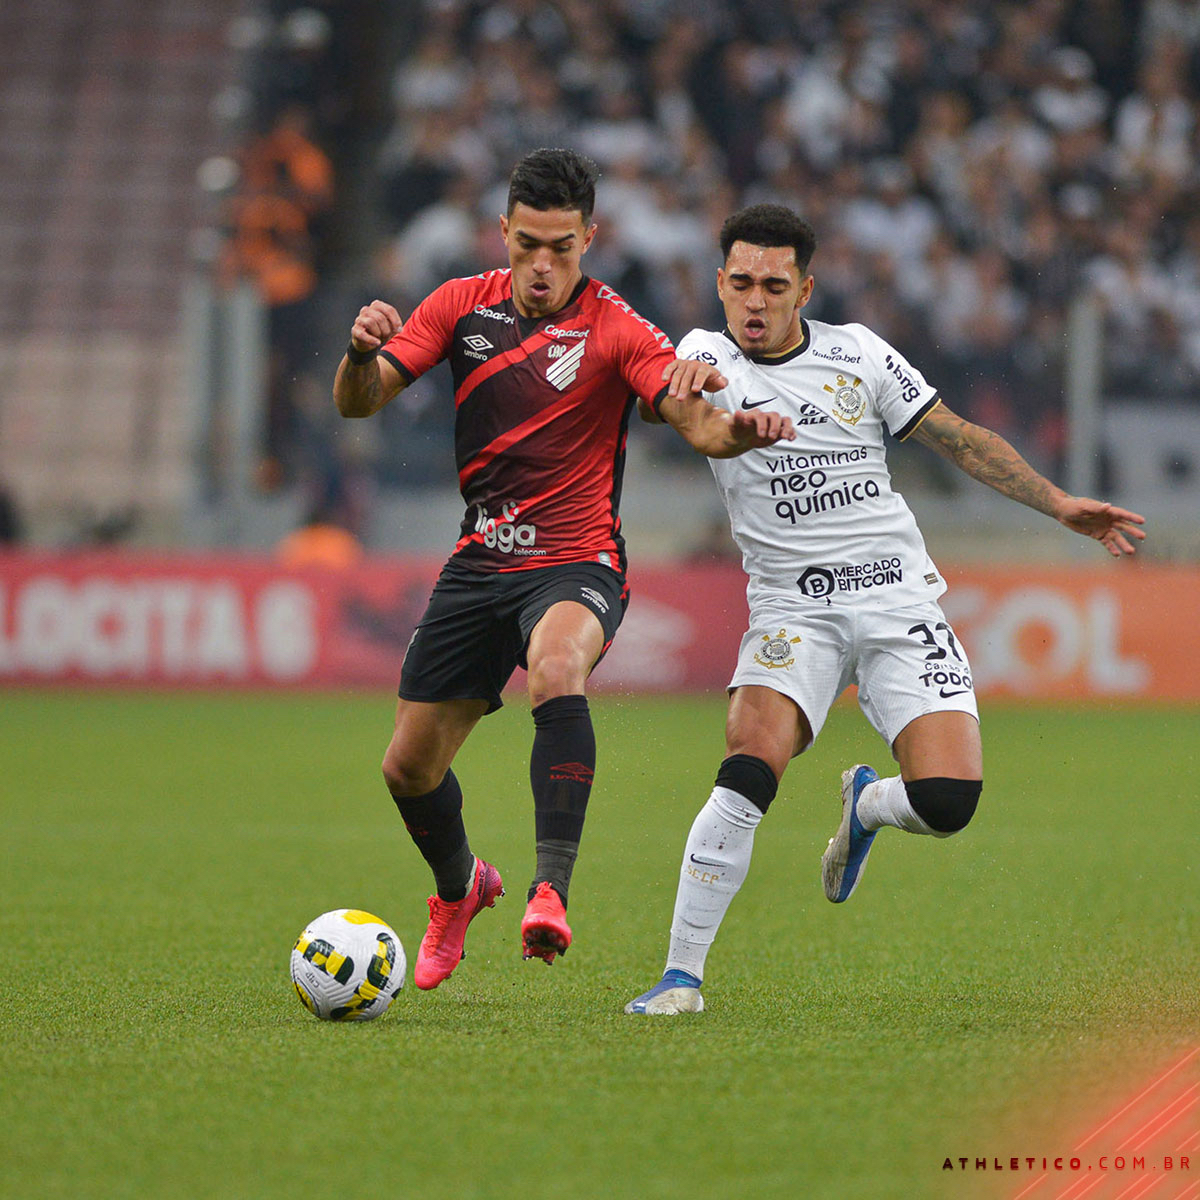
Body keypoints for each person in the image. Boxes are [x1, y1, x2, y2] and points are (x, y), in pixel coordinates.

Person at [626, 202, 1145, 1015]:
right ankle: (681, 977)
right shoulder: (702, 353)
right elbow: (696, 423)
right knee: (749, 762)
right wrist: (733, 425)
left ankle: (867, 804)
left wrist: (1058, 505)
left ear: (805, 288)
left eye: (772, 284)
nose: (753, 301)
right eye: (739, 283)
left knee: (948, 804)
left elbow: (959, 437)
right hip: (792, 609)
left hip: (898, 596)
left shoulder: (858, 353)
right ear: (719, 284)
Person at [332, 150, 793, 992]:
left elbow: (695, 421)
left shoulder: (619, 327)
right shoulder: (457, 307)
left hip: (579, 561)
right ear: (503, 232)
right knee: (408, 768)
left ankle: (550, 890)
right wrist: (361, 356)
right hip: (479, 562)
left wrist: (739, 429)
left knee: (556, 667)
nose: (542, 267)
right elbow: (359, 402)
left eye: (562, 249)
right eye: (528, 246)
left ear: (591, 238)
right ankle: (461, 889)